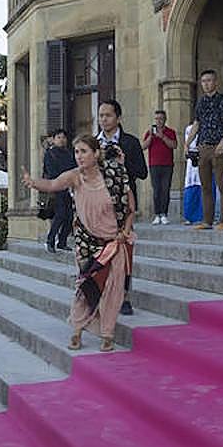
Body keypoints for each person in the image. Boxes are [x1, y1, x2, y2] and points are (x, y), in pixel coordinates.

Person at [22, 134, 134, 352]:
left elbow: (130, 206)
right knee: (85, 287)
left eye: (84, 151)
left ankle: (107, 333)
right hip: (87, 243)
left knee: (113, 289)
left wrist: (125, 232)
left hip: (114, 241)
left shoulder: (114, 175)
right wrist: (32, 183)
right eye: (76, 152)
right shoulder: (74, 177)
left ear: (96, 154)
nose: (79, 156)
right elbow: (53, 184)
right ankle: (77, 329)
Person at [97, 99, 146, 315]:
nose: (103, 119)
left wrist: (124, 162)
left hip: (124, 207)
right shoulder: (93, 143)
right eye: (101, 115)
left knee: (124, 252)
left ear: (118, 117)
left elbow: (142, 172)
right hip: (99, 206)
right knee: (100, 252)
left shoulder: (131, 142)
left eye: (107, 115)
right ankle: (102, 293)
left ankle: (125, 297)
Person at [188, 69, 223, 231]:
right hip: (203, 146)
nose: (206, 84)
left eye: (209, 80)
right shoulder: (201, 102)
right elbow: (197, 123)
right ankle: (207, 220)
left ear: (215, 82)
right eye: (203, 81)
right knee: (205, 186)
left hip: (218, 147)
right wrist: (187, 142)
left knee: (222, 184)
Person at [142, 109, 178, 225]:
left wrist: (162, 137)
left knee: (165, 189)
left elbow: (174, 145)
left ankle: (164, 214)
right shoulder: (150, 132)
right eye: (156, 119)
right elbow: (143, 146)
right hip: (154, 165)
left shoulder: (170, 131)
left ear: (165, 119)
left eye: (161, 119)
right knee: (156, 190)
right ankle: (157, 214)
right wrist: (151, 137)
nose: (158, 121)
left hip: (167, 165)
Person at [43, 129, 75, 253]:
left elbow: (74, 168)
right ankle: (50, 240)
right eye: (59, 137)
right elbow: (51, 172)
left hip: (69, 189)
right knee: (60, 215)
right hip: (56, 188)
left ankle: (62, 242)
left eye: (63, 137)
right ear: (54, 139)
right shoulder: (50, 154)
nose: (61, 140)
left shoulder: (69, 153)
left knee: (70, 216)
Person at [181, 130, 204, 224]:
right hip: (192, 162)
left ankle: (203, 217)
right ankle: (189, 217)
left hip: (204, 158)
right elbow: (186, 146)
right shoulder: (189, 129)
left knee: (204, 189)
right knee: (190, 189)